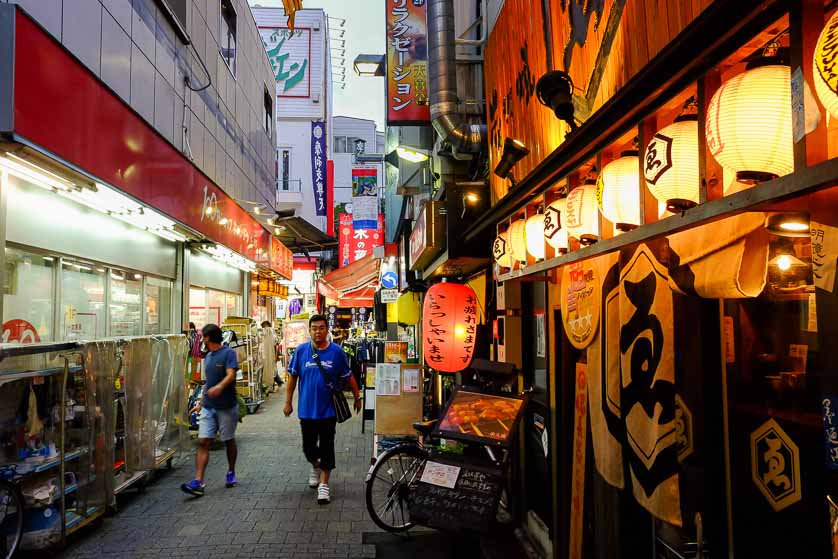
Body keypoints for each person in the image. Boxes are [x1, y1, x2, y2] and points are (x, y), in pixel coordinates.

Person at [284, 314, 361, 504]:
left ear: (327, 330)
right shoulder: (301, 351)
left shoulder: (337, 352)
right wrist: (288, 402)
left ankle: (324, 485)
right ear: (309, 331)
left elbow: (349, 376)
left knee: (327, 446)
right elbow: (292, 378)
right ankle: (315, 465)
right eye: (314, 328)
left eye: (321, 328)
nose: (317, 331)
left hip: (328, 411)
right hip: (307, 410)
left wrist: (358, 397)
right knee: (308, 448)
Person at [181, 324, 239, 497]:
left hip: (227, 406)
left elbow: (231, 374)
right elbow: (208, 382)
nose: (201, 341)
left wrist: (220, 387)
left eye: (202, 337)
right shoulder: (208, 357)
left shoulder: (228, 353)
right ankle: (198, 481)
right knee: (204, 441)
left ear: (208, 338)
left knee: (228, 440)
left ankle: (231, 471)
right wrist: (201, 401)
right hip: (209, 407)